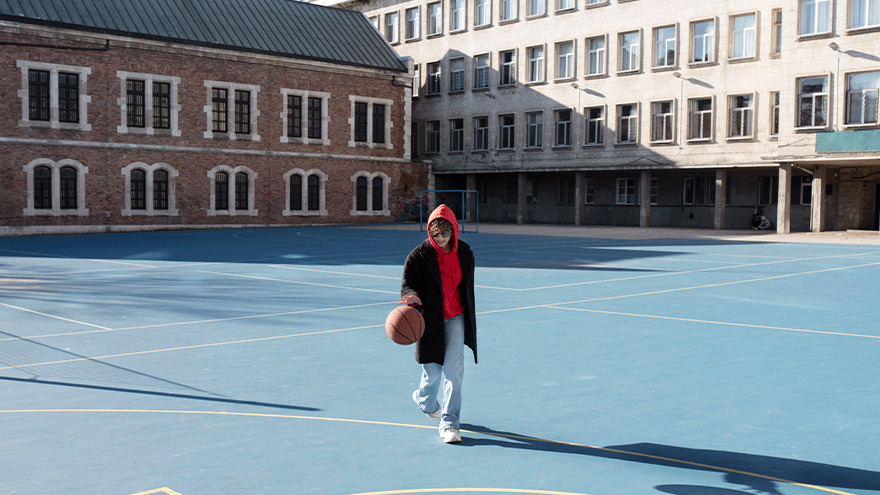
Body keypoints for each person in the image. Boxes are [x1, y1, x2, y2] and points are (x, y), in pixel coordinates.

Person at [399, 204, 477, 444]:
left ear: (454, 230)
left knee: (454, 373)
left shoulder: (465, 253)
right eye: (435, 234)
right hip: (430, 319)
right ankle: (425, 400)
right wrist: (411, 296)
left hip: (456, 316)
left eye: (445, 233)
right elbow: (407, 285)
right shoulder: (418, 256)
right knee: (432, 371)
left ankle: (450, 423)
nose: (440, 238)